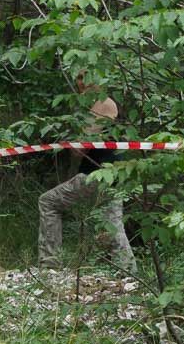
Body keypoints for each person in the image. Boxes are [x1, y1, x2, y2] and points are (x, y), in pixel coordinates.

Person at [37, 76, 137, 273]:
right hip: (116, 174)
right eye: (77, 78)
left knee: (48, 202)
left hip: (97, 173)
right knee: (112, 224)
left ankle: (50, 265)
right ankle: (129, 273)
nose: (80, 83)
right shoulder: (105, 103)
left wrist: (71, 137)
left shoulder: (102, 103)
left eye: (84, 77)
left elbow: (80, 148)